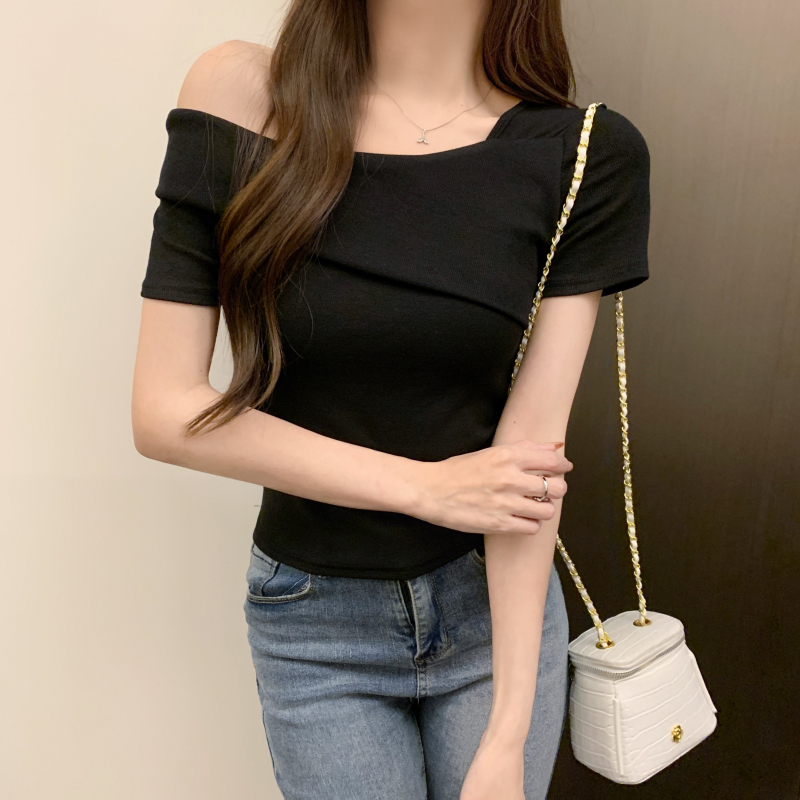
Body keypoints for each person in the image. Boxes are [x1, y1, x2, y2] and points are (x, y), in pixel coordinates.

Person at [131, 0, 650, 796]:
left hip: (494, 618)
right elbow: (165, 412)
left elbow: (528, 465)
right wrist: (425, 488)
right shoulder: (240, 96)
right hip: (315, 627)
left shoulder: (583, 153)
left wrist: (509, 731)